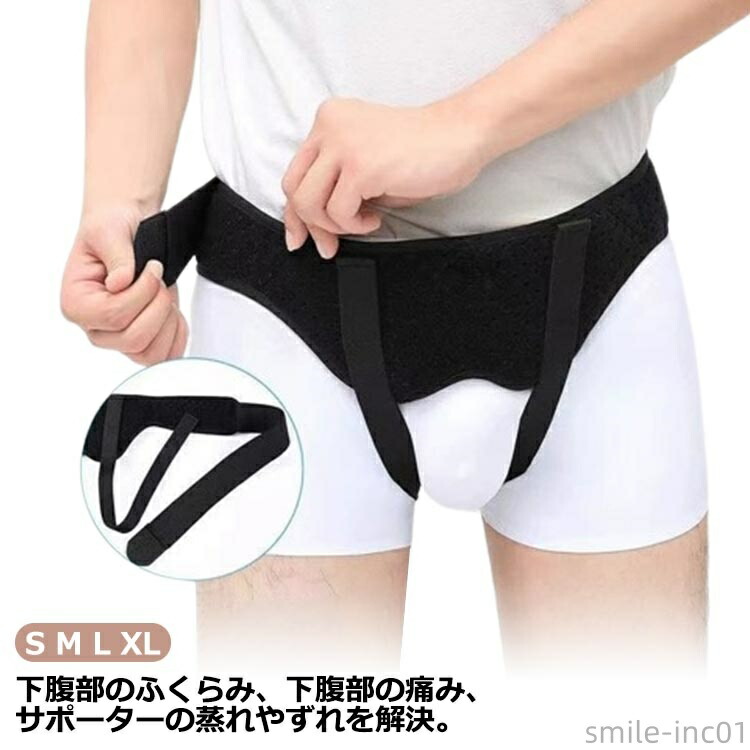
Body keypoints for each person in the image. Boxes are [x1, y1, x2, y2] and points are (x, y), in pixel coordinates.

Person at [61, 0, 748, 673]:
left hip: (599, 290)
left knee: (624, 720)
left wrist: (465, 126)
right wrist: (122, 203)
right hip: (283, 300)